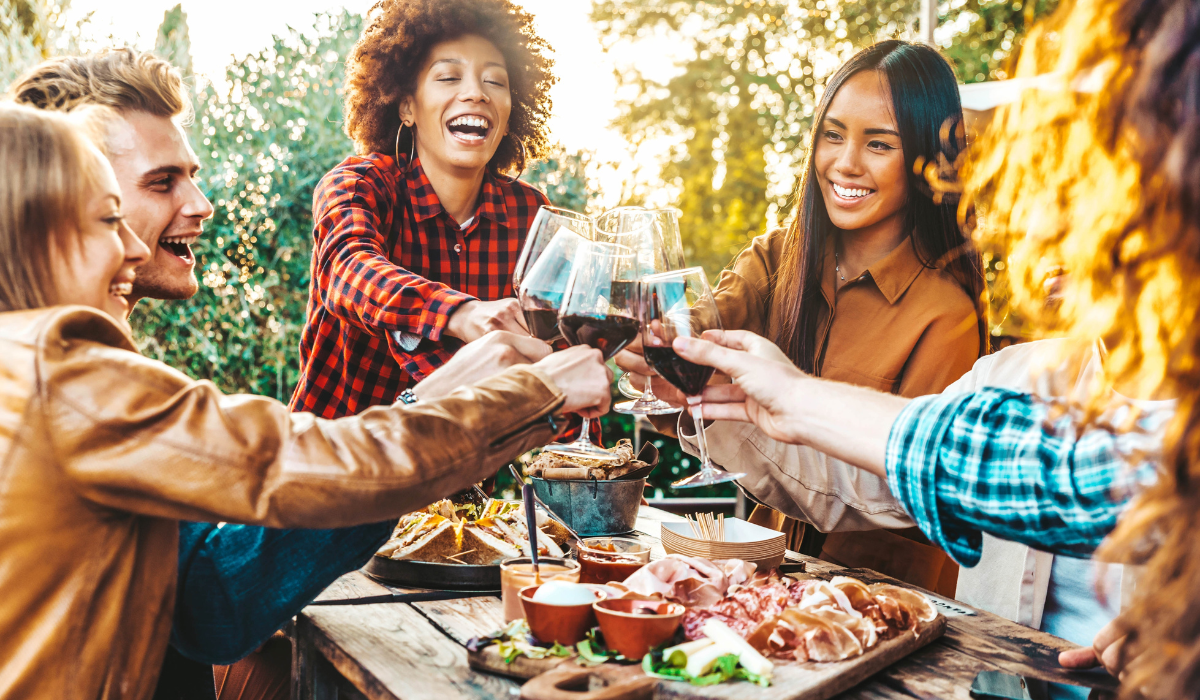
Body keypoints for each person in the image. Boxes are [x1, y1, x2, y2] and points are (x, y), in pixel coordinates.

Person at [0, 102, 611, 700]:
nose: (131, 248)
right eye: (109, 219)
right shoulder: (64, 372)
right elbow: (311, 464)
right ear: (30, 232)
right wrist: (535, 393)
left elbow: (209, 603)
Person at [627, 40, 987, 596]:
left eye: (879, 144)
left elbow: (888, 496)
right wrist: (659, 346)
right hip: (769, 581)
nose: (845, 163)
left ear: (926, 160)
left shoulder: (945, 315)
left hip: (886, 604)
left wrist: (719, 410)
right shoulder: (777, 259)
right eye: (833, 134)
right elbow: (702, 318)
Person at [290, 0, 557, 421]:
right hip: (332, 466)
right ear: (407, 106)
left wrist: (585, 470)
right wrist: (461, 313)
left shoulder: (532, 214)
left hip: (461, 479)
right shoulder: (360, 185)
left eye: (496, 81)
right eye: (449, 76)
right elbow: (348, 269)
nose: (476, 93)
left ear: (510, 113)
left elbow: (555, 358)